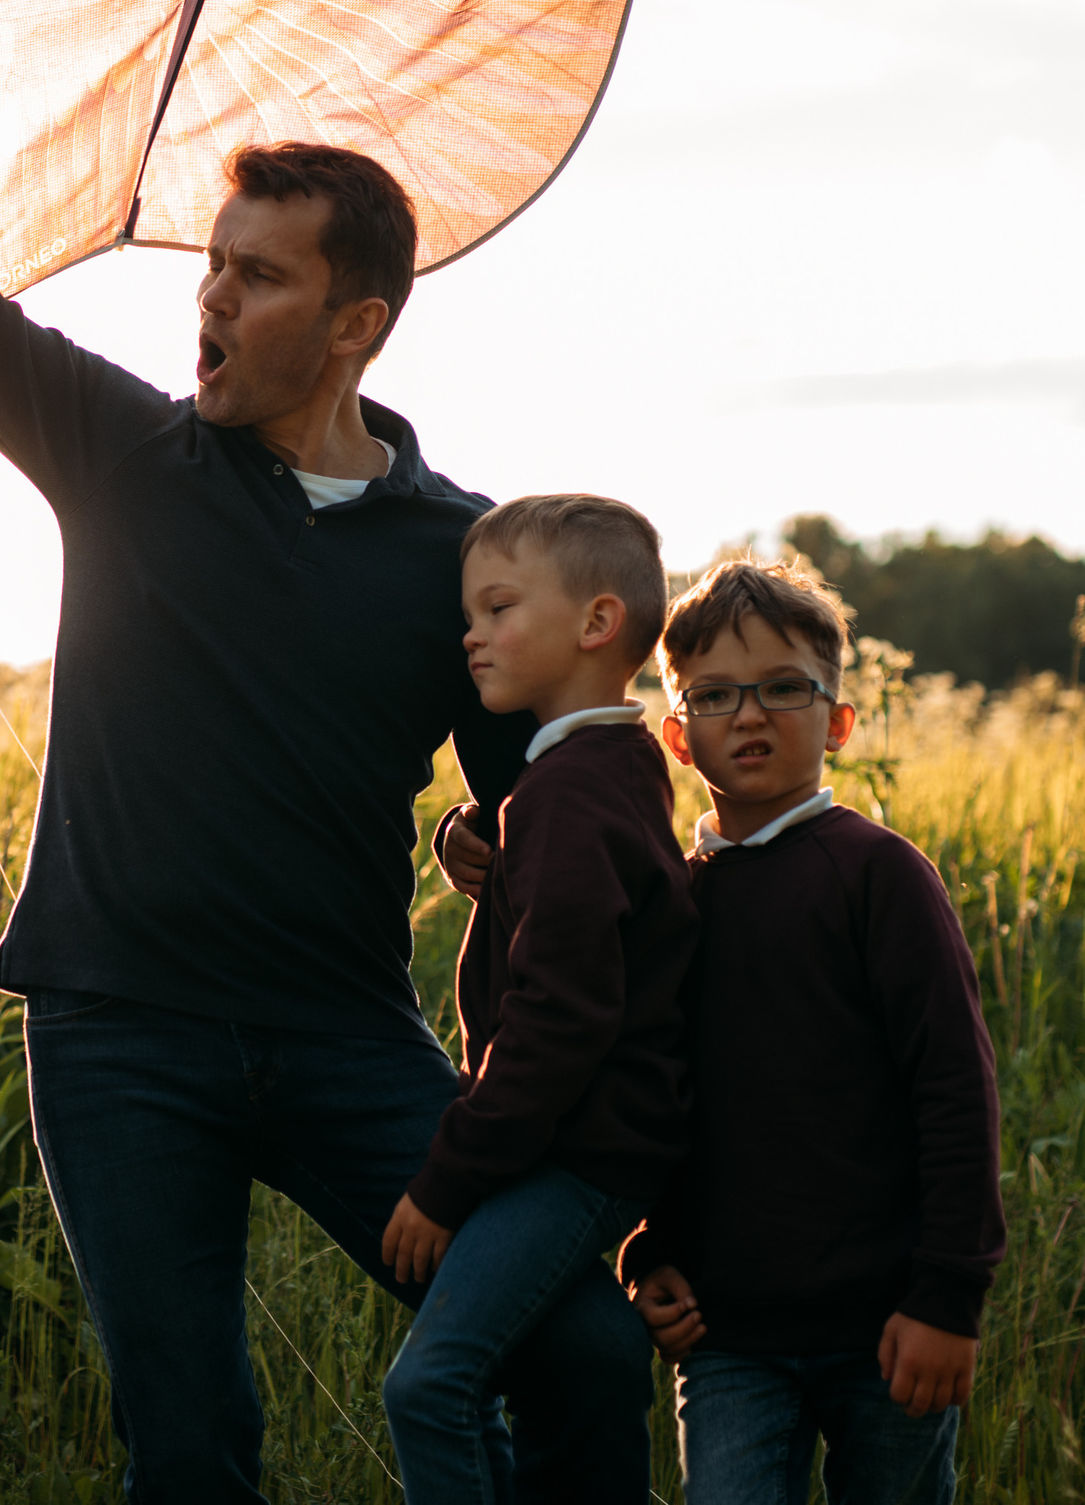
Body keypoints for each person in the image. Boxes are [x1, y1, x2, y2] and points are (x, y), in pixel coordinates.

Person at [0, 0, 643, 1500]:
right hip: (120, 1035)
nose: (214, 296)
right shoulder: (119, 451)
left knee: (575, 1347)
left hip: (342, 1037)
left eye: (261, 275)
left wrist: (496, 869)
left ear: (355, 323)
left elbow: (574, 832)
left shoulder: (463, 558)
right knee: (190, 1443)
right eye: (214, 264)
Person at [622, 559, 1005, 1505]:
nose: (749, 715)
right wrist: (649, 1247)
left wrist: (946, 1299)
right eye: (714, 695)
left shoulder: (878, 876)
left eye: (784, 688)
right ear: (678, 734)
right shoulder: (672, 897)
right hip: (727, 1335)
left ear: (836, 719)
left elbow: (954, 1088)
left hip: (889, 1329)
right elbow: (653, 1089)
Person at [379, 494, 697, 1502]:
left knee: (432, 1384)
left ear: (596, 623)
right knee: (560, 1355)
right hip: (580, 1143)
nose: (470, 633)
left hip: (574, 1151)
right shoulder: (605, 768)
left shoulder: (566, 792)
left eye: (499, 607)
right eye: (469, 611)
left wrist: (448, 1178)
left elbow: (563, 1017)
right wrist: (482, 825)